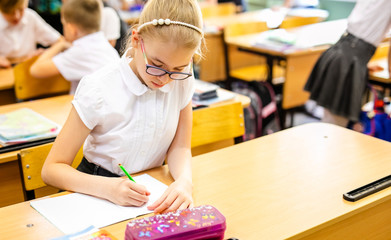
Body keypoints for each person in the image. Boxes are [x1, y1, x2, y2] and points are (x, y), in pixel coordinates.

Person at [41, 0, 204, 214]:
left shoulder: (182, 80)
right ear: (136, 39)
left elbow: (180, 147)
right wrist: (108, 188)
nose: (165, 79)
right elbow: (51, 170)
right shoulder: (98, 87)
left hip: (146, 189)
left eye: (178, 68)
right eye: (157, 65)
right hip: (96, 189)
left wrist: (184, 181)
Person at [304, 0, 391, 127]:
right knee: (334, 128)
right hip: (348, 59)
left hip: (345, 51)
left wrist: (363, 63)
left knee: (333, 125)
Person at [30, 0, 120, 94]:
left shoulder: (79, 52)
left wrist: (61, 45)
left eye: (63, 24)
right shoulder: (105, 46)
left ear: (72, 29)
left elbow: (35, 70)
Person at [0, 0, 61, 68]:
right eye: (10, 12)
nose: (16, 16)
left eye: (21, 9)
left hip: (27, 68)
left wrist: (47, 53)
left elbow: (61, 41)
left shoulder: (30, 16)